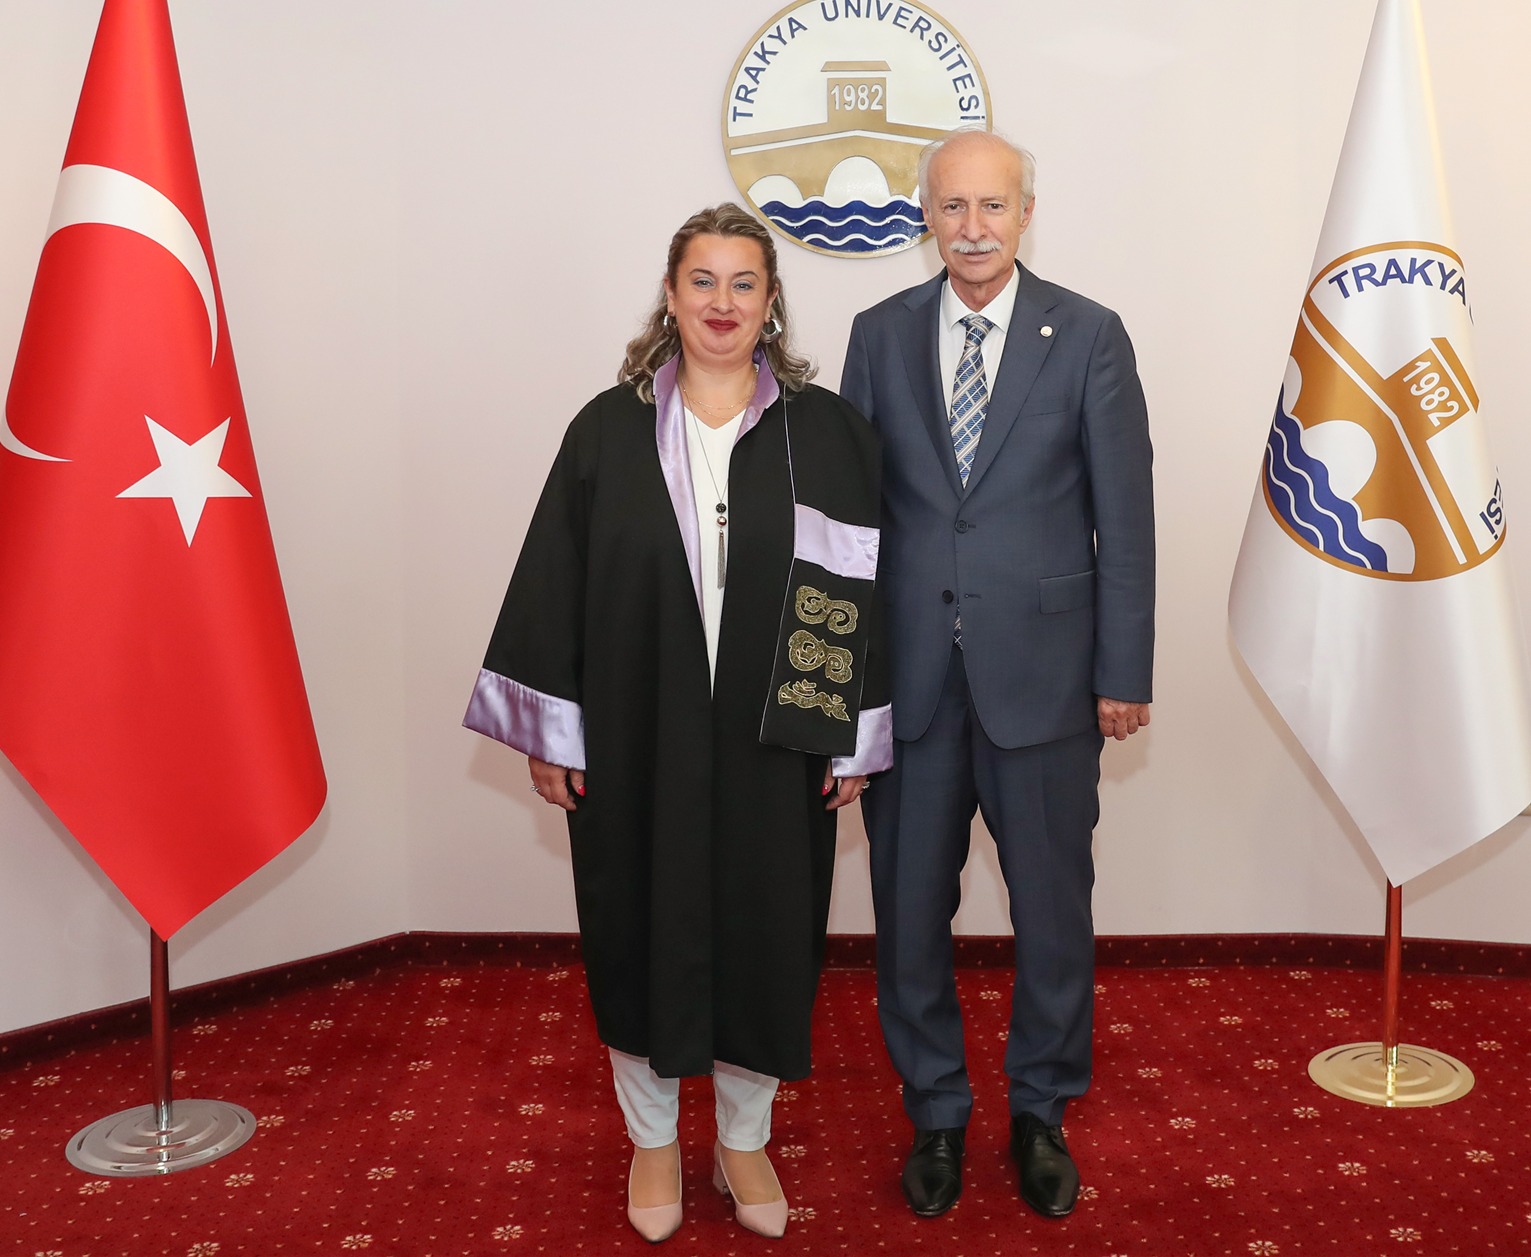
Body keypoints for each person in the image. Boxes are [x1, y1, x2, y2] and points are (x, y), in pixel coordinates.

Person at [465, 203, 889, 1243]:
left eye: (744, 283)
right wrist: (552, 731)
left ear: (771, 300)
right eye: (703, 281)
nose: (722, 304)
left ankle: (743, 1139)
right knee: (636, 928)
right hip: (637, 732)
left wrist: (855, 735)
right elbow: (553, 580)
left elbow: (864, 592)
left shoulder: (825, 433)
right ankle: (652, 1138)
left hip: (775, 737)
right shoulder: (605, 431)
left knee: (764, 935)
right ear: (669, 294)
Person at [840, 129, 1154, 1221]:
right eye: (951, 207)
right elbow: (851, 527)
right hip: (912, 685)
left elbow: (1125, 518)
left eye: (992, 206)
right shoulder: (878, 334)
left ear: (1025, 213)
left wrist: (1123, 669)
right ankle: (934, 1110)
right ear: (923, 216)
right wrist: (845, 686)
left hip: (1049, 682)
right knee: (906, 914)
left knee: (1053, 914)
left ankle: (1039, 1111)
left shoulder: (1090, 335)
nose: (971, 229)